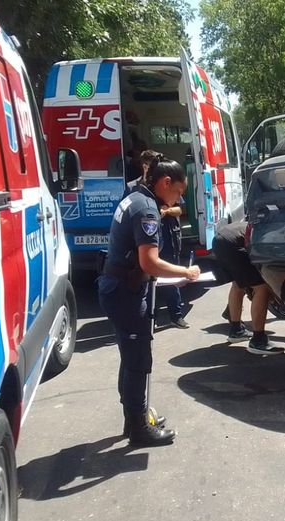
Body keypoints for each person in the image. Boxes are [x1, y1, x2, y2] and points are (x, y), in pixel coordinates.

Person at [98, 155, 200, 446]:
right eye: (179, 191)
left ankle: (134, 419)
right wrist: (186, 272)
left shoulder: (136, 198)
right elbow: (150, 262)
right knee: (138, 362)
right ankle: (139, 429)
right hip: (125, 293)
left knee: (130, 359)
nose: (178, 198)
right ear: (165, 182)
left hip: (117, 288)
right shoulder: (147, 211)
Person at [212, 218, 285, 355]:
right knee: (262, 288)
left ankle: (236, 330)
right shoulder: (272, 231)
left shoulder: (257, 223)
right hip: (232, 244)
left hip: (218, 240)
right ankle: (258, 340)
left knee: (237, 285)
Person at [157, 194, 189, 328]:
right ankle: (150, 319)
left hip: (170, 240)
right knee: (149, 283)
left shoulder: (169, 189)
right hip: (151, 241)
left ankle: (176, 316)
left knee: (172, 279)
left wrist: (166, 211)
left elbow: (180, 210)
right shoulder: (139, 191)